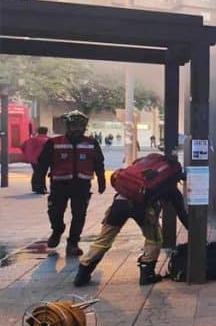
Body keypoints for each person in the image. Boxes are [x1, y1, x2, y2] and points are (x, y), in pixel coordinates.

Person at [75, 158, 188, 287]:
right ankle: (147, 274)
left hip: (119, 203)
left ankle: (83, 272)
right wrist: (196, 234)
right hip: (143, 210)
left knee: (104, 239)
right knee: (154, 239)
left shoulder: (145, 167)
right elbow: (182, 213)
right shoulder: (170, 187)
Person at [36, 111, 105, 256]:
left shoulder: (91, 143)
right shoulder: (54, 142)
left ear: (84, 127)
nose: (76, 129)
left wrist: (101, 180)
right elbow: (42, 163)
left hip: (81, 185)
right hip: (59, 185)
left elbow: (98, 163)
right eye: (73, 125)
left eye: (80, 126)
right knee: (55, 212)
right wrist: (39, 180)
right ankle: (57, 230)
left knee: (79, 215)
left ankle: (73, 243)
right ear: (68, 126)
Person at [22, 127, 50, 194]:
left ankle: (35, 187)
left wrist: (28, 154)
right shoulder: (47, 140)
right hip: (42, 159)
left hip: (32, 159)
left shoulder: (31, 139)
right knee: (41, 174)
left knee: (36, 173)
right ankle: (41, 189)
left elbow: (22, 146)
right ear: (46, 132)